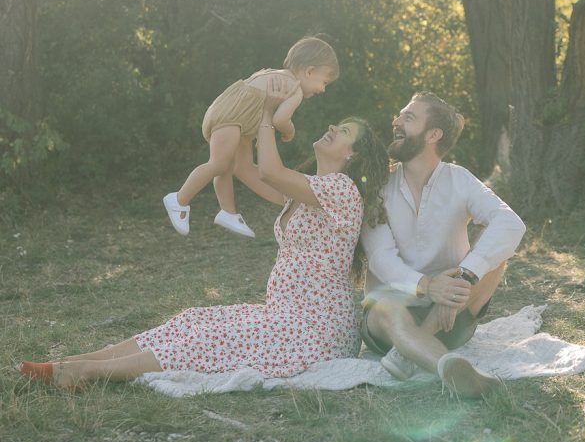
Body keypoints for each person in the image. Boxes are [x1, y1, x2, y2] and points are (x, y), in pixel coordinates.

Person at [20, 107, 390, 389]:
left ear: (352, 155)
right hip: (285, 315)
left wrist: (266, 113)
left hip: (317, 330)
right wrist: (241, 123)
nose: (331, 129)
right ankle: (77, 360)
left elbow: (269, 172)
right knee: (193, 319)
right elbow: (247, 167)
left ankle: (85, 373)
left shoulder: (342, 190)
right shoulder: (306, 187)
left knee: (209, 340)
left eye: (342, 132)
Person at [360, 92, 526, 398]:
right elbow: (380, 257)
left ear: (433, 135)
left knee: (496, 261)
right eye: (399, 116)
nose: (395, 122)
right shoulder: (379, 186)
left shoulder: (459, 179)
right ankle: (453, 371)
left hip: (451, 315)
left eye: (408, 117)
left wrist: (465, 275)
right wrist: (426, 285)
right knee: (385, 304)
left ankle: (409, 353)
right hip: (391, 325)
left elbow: (511, 224)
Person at [163, 36, 339, 239]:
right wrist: (289, 131)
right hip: (232, 116)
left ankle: (228, 212)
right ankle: (179, 199)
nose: (322, 89)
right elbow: (281, 119)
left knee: (235, 166)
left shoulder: (275, 74)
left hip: (237, 117)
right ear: (309, 71)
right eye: (324, 82)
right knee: (219, 164)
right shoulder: (294, 89)